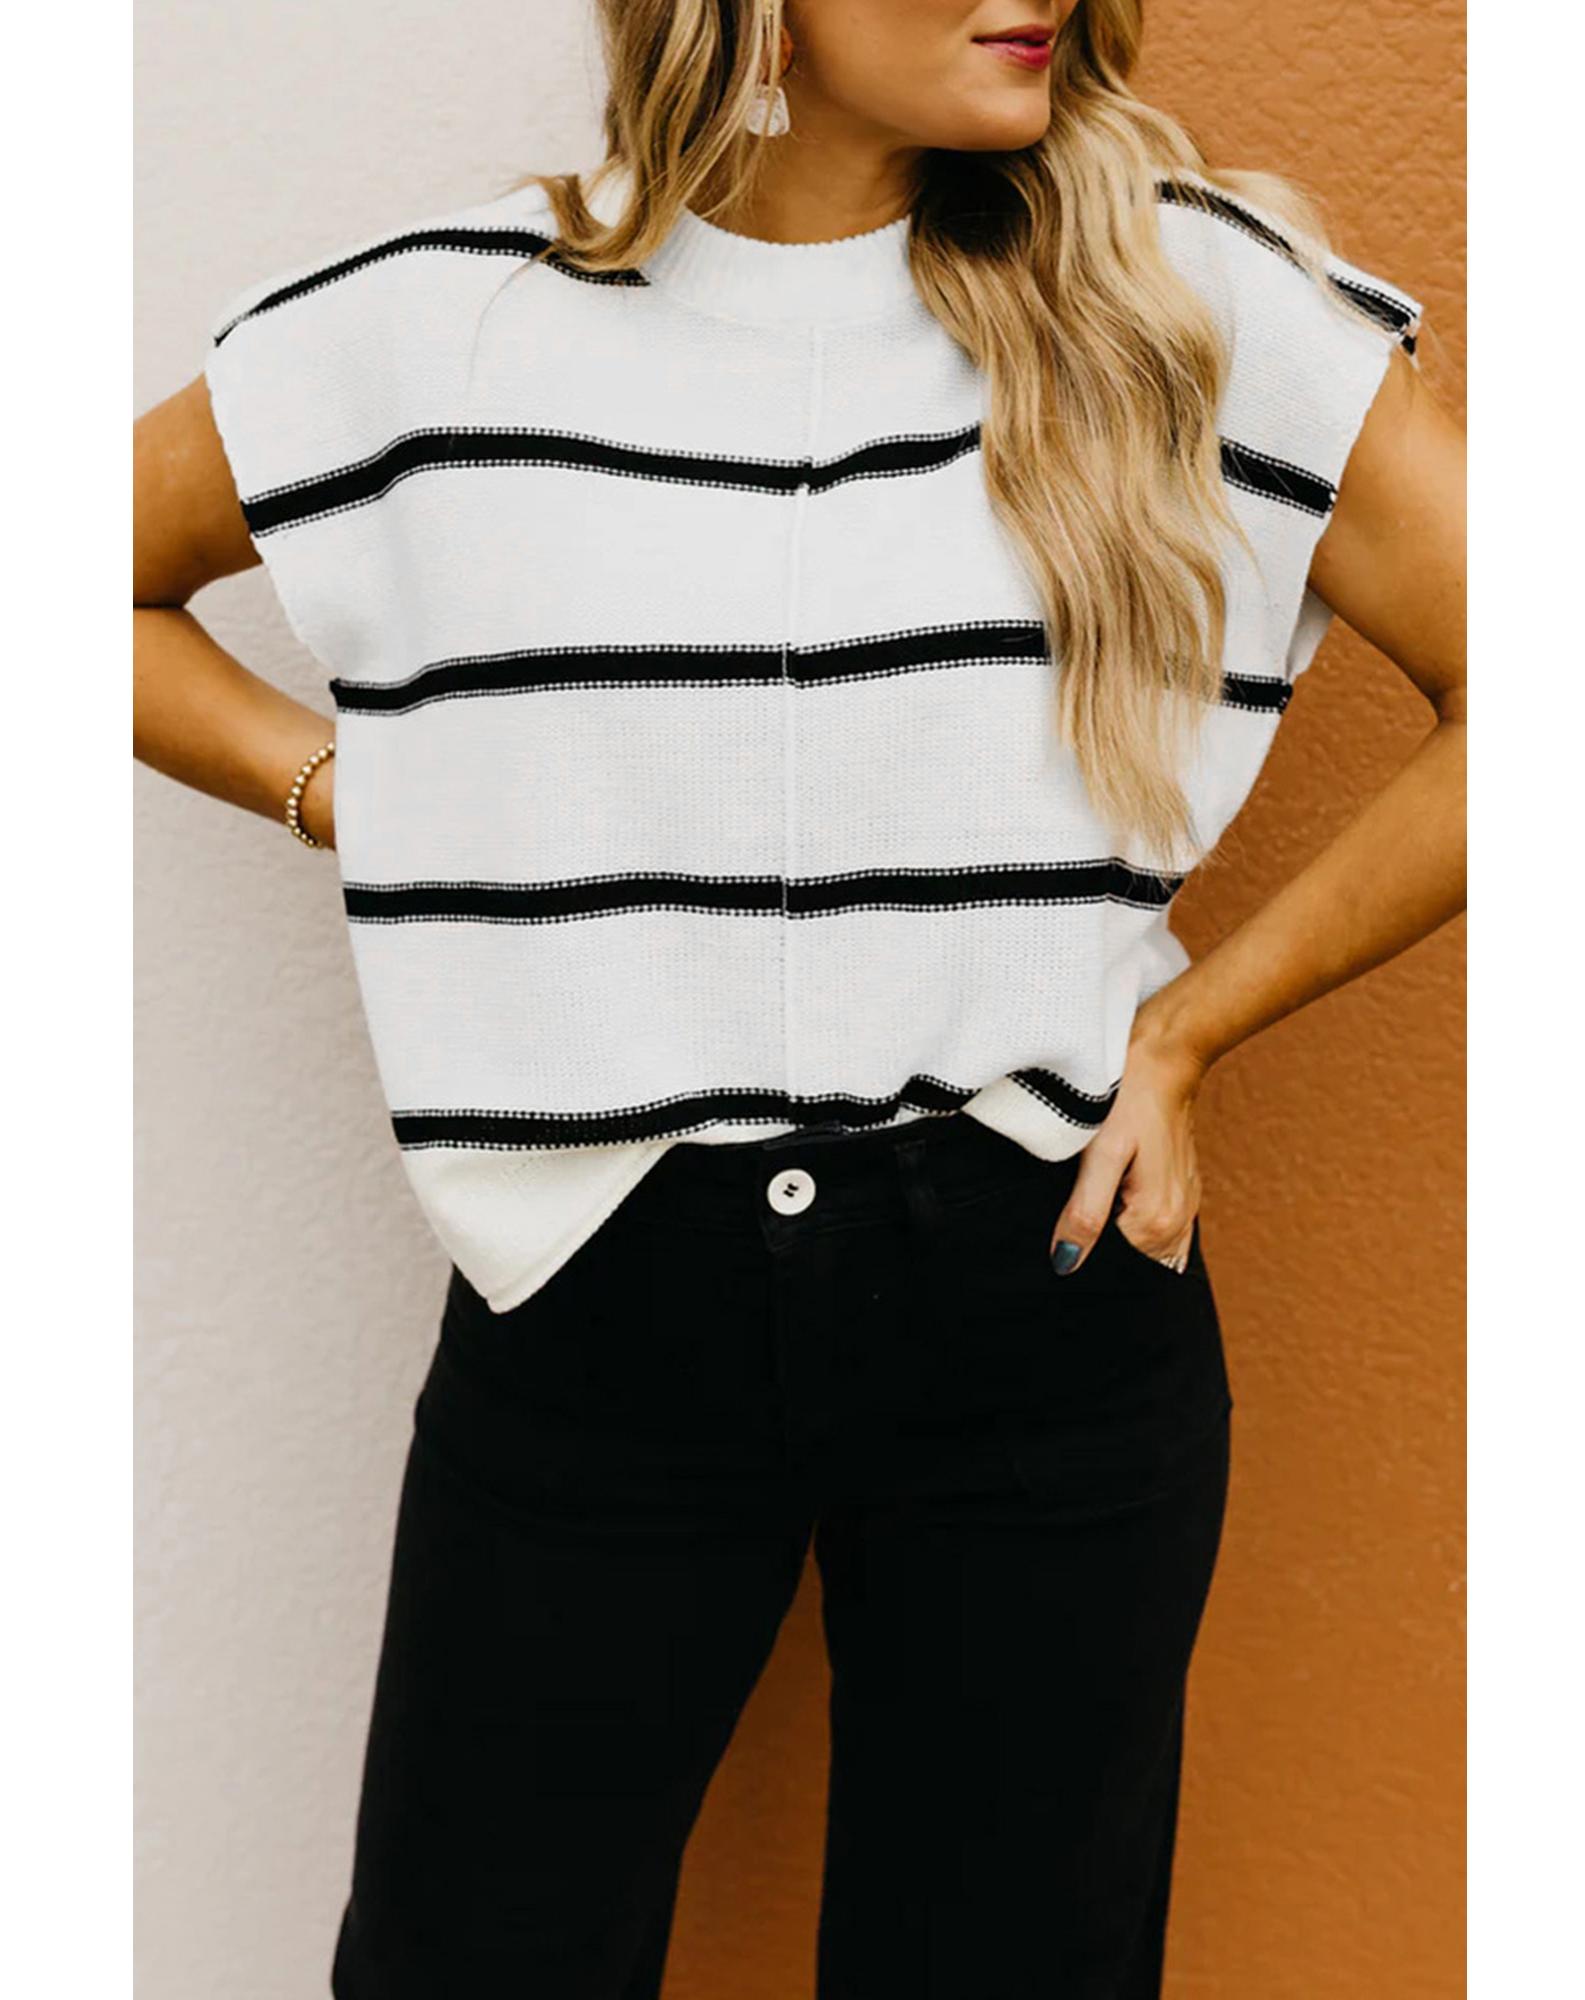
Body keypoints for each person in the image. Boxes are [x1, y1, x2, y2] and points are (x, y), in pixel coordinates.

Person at [133, 3, 1465, 1993]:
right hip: (593, 1293)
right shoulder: (436, 327)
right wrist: (346, 788)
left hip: (1041, 1277)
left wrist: (1192, 1028)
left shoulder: (1181, 301)